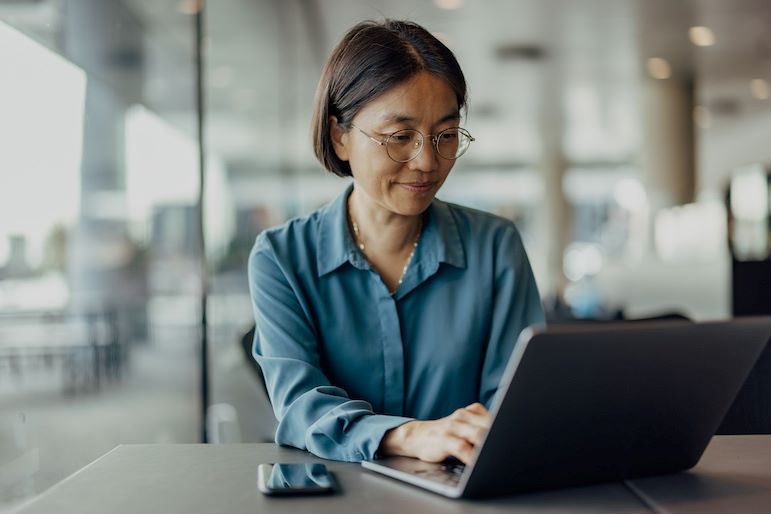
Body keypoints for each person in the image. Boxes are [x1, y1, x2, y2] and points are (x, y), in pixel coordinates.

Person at [248, 19, 544, 465]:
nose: (427, 161)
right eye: (400, 137)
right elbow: (300, 405)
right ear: (339, 136)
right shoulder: (282, 258)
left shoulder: (495, 246)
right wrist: (409, 436)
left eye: (445, 135)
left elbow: (516, 404)